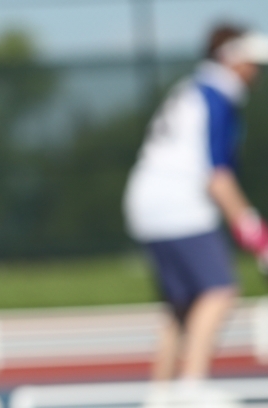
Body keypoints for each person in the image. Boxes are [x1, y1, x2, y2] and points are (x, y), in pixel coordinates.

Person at [124, 24, 268, 383]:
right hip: (178, 204)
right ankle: (191, 391)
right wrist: (256, 235)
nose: (256, 71)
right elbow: (218, 177)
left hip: (147, 202)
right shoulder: (218, 96)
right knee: (219, 291)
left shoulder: (192, 89)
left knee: (183, 305)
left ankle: (160, 395)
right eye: (251, 62)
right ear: (231, 59)